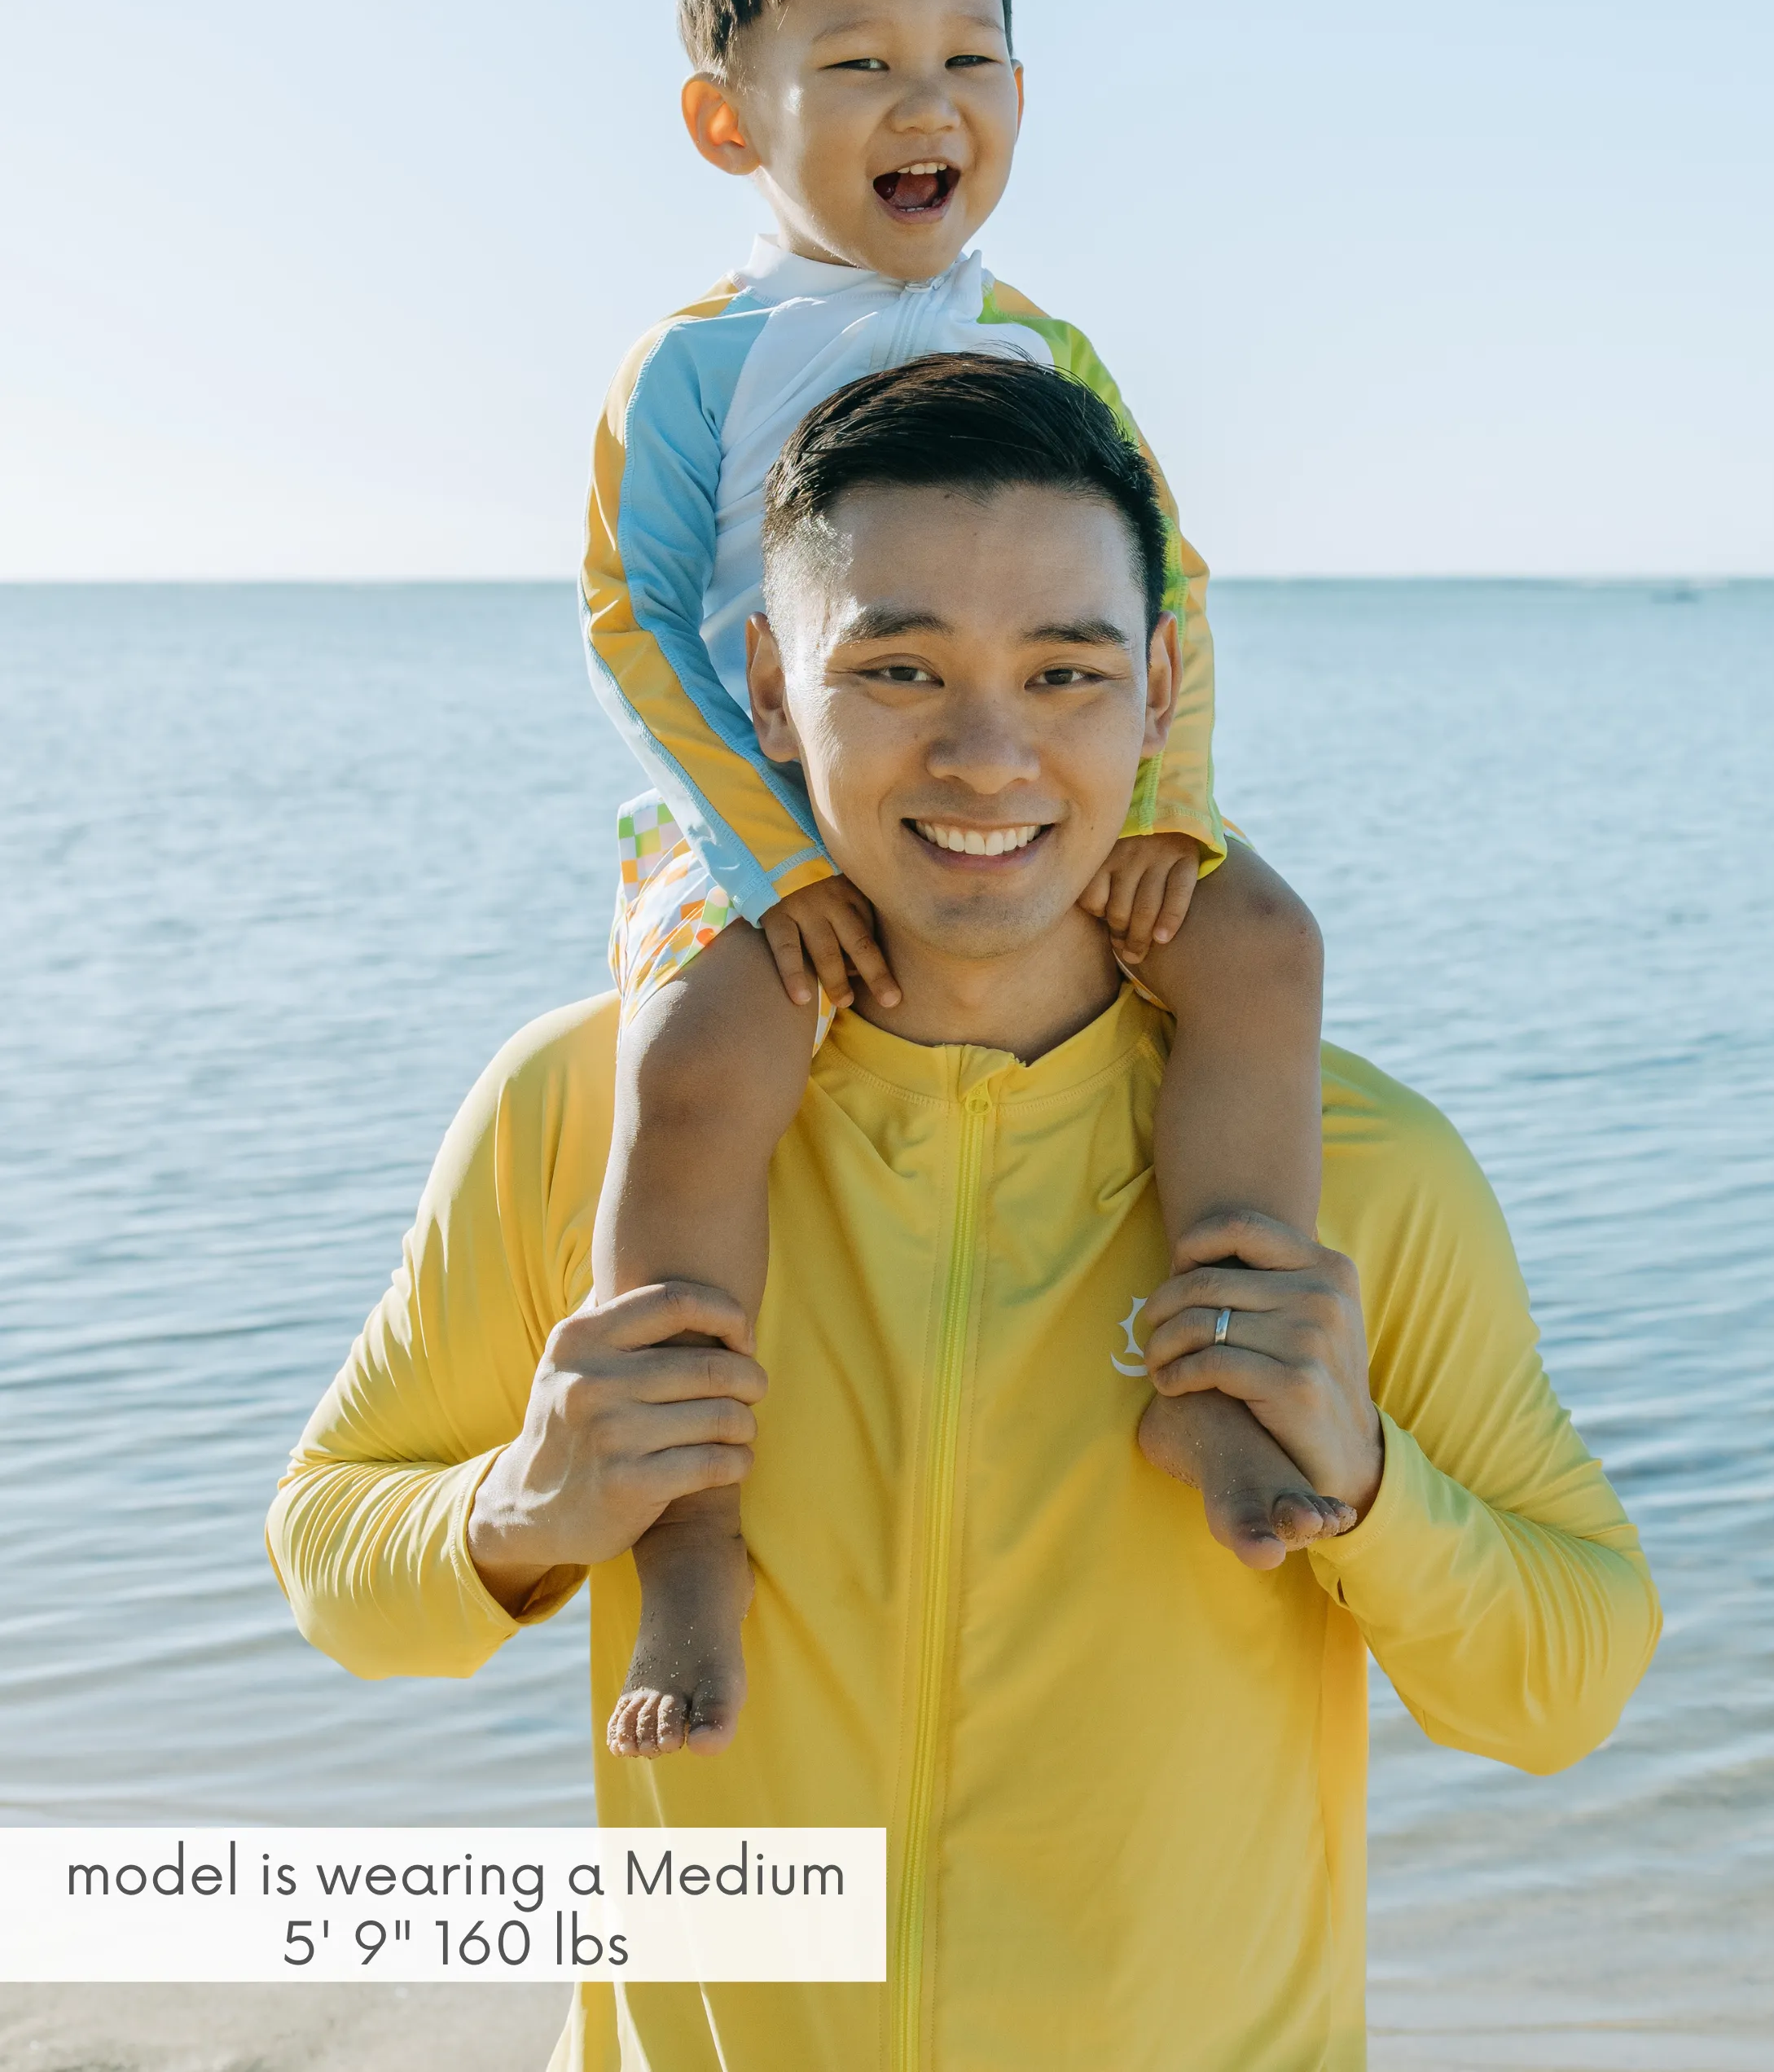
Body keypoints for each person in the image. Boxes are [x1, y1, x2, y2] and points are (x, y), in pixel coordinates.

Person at [268, 353, 1662, 2072]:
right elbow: (332, 1562)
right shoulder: (588, 1113)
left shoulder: (1357, 1164)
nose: (989, 755)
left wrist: (1371, 1488)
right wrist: (520, 1511)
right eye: (902, 667)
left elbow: (1567, 1684)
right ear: (772, 688)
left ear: (1159, 688)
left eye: (1064, 672)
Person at [582, 0, 1335, 1762]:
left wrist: (1170, 808)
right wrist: (766, 866)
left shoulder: (1050, 353)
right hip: (765, 830)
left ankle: (1230, 1377)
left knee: (1260, 945)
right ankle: (687, 1529)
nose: (927, 104)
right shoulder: (693, 368)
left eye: (972, 57)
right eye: (856, 64)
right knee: (696, 1065)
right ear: (725, 116)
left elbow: (1166, 593)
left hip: (1027, 811)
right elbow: (635, 622)